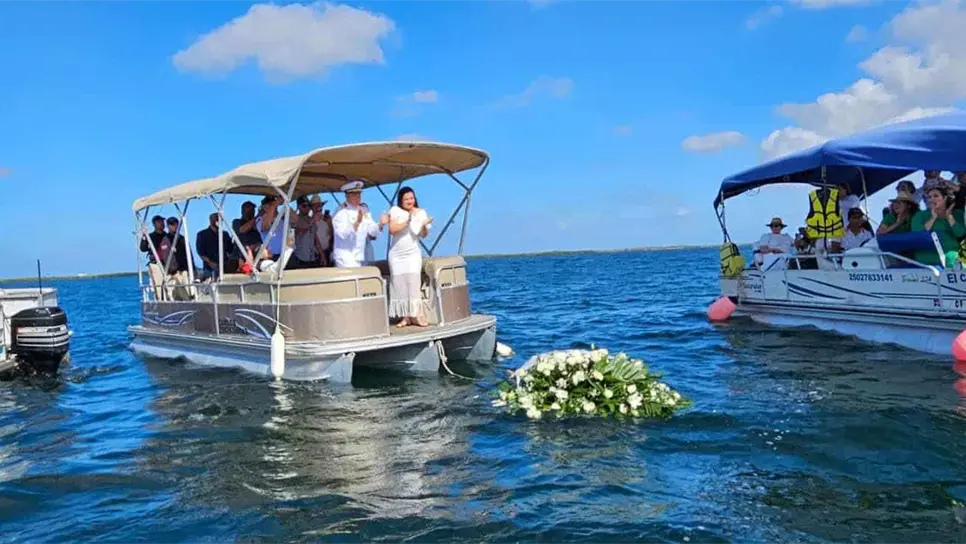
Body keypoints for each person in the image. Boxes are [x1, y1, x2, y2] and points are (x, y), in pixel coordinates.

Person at [387, 187, 433, 327]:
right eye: (406, 199)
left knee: (413, 283)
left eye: (411, 198)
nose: (409, 201)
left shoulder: (421, 212)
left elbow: (423, 234)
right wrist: (407, 221)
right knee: (399, 285)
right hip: (397, 254)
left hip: (412, 254)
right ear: (401, 200)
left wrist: (424, 225)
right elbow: (392, 230)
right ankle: (405, 317)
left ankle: (417, 315)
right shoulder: (395, 211)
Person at [332, 180, 384, 268]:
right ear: (347, 196)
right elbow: (343, 235)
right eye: (355, 195)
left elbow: (372, 231)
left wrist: (381, 224)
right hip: (345, 257)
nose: (358, 197)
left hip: (359, 256)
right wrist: (357, 223)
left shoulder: (363, 209)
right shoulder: (340, 211)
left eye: (359, 194)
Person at [911, 186, 966, 265]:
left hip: (953, 257)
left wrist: (949, 217)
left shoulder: (958, 214)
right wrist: (933, 218)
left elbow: (960, 234)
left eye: (935, 196)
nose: (931, 199)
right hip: (926, 257)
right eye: (929, 197)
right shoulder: (919, 215)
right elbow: (918, 235)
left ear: (945, 198)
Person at [196, 213, 235, 280]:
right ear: (210, 220)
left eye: (220, 219)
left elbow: (230, 249)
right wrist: (211, 263)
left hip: (224, 267)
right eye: (216, 218)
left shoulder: (225, 234)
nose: (218, 220)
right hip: (209, 268)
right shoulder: (202, 234)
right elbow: (200, 252)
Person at [140, 215, 168, 299]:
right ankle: (160, 299)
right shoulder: (151, 236)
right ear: (155, 224)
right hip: (156, 264)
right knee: (158, 284)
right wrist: (144, 236)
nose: (162, 224)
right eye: (160, 222)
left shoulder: (167, 236)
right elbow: (143, 248)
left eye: (163, 222)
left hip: (168, 263)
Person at [289, 196, 319, 269]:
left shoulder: (312, 220)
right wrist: (310, 223)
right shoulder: (293, 220)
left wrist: (322, 254)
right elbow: (290, 240)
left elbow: (315, 239)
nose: (307, 208)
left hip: (312, 258)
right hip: (299, 258)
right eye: (304, 206)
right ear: (299, 207)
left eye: (309, 205)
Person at [256, 195, 285, 261]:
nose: (267, 206)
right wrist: (273, 206)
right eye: (265, 204)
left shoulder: (284, 218)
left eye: (270, 203)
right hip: (271, 256)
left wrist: (285, 203)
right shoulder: (260, 219)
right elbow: (265, 226)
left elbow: (297, 221)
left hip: (286, 255)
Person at [310, 195, 332, 266]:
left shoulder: (326, 219)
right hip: (317, 254)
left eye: (319, 205)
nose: (318, 207)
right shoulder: (310, 220)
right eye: (315, 206)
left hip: (328, 251)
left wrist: (329, 223)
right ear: (311, 208)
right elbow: (314, 239)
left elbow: (331, 234)